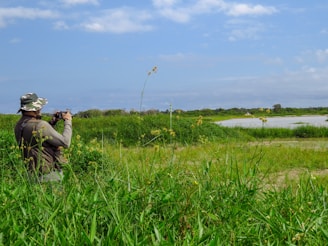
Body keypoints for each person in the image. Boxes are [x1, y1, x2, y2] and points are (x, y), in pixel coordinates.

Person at [14, 92, 72, 182]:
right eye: (38, 107)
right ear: (34, 108)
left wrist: (52, 123)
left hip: (31, 174)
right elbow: (65, 142)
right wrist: (68, 121)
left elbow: (38, 137)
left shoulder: (19, 125)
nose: (40, 109)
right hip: (48, 175)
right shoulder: (40, 125)